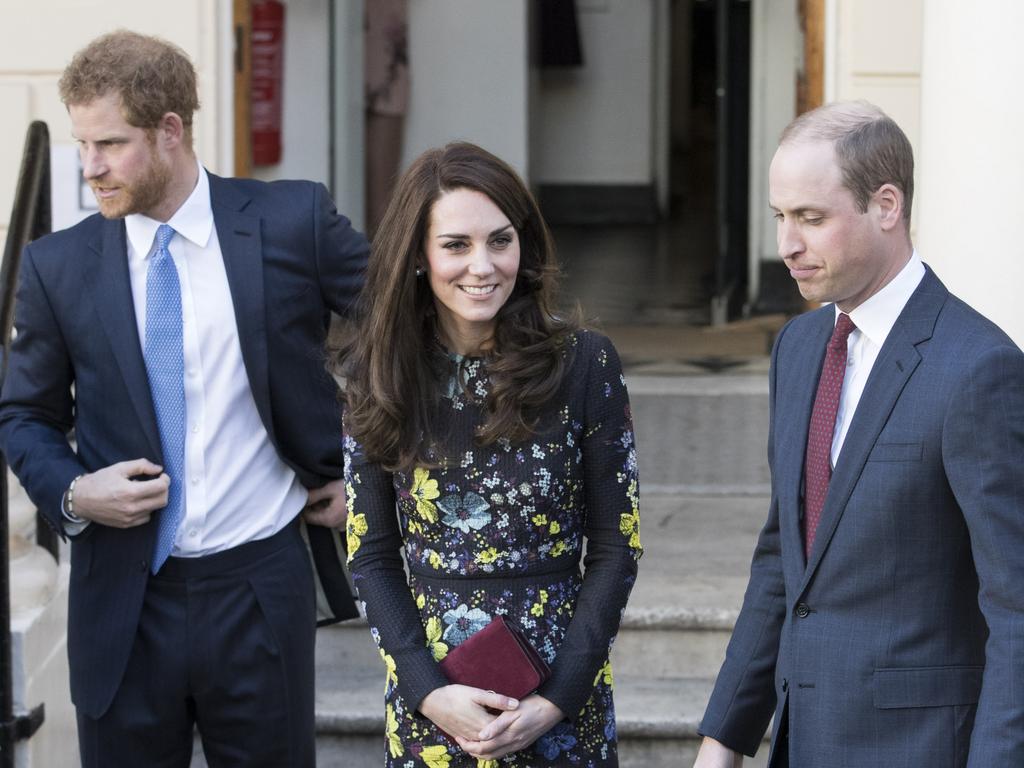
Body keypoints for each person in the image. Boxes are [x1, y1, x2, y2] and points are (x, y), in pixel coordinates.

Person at [0, 30, 367, 767]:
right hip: (122, 603)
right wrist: (74, 491)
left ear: (170, 131)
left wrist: (363, 461)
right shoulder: (57, 266)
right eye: (82, 144)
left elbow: (407, 332)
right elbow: (24, 414)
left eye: (111, 143)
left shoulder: (292, 222)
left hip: (259, 586)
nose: (90, 167)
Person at [694, 101, 1024, 768]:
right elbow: (783, 562)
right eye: (780, 217)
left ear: (887, 205)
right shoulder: (798, 347)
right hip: (802, 741)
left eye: (811, 218)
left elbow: (1016, 607)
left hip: (922, 750)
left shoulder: (979, 369)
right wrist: (723, 740)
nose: (787, 243)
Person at [339, 141, 642, 766]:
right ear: (418, 256)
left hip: (560, 695)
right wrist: (426, 690)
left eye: (500, 241)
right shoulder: (379, 374)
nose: (482, 266)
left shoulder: (585, 364)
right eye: (455, 245)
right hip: (435, 700)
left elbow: (617, 544)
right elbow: (370, 554)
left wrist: (558, 698)